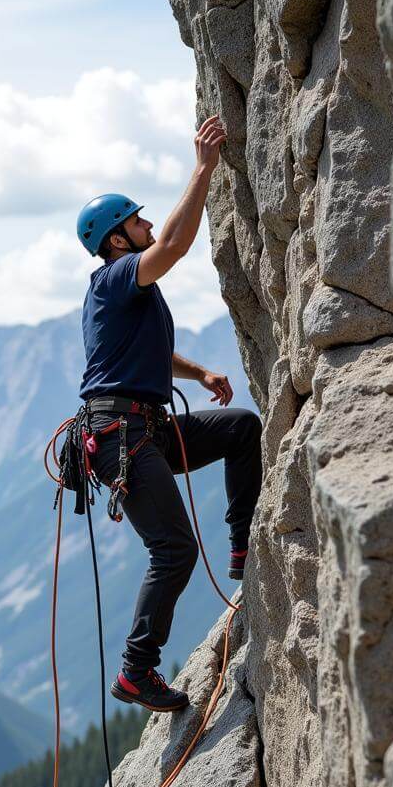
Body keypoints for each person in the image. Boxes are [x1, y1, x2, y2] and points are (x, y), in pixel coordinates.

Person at [75, 115, 262, 714]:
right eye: (138, 220)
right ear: (117, 239)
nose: (149, 225)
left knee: (240, 428)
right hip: (119, 435)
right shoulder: (113, 280)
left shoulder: (130, 292)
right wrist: (203, 167)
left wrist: (201, 373)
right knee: (174, 549)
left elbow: (149, 353)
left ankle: (241, 547)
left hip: (143, 428)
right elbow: (176, 245)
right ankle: (137, 670)